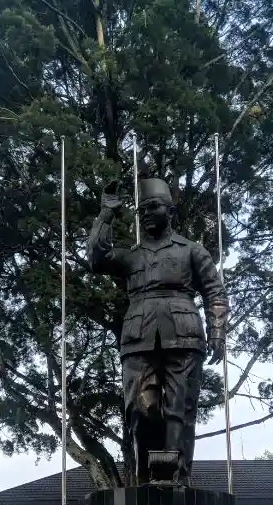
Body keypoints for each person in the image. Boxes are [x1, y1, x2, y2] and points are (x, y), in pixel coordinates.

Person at [87, 176, 228, 484]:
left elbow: (215, 293)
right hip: (138, 337)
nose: (147, 213)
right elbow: (96, 259)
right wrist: (106, 214)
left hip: (185, 334)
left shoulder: (192, 251)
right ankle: (143, 478)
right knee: (139, 411)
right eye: (142, 210)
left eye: (153, 207)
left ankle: (177, 481)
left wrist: (217, 330)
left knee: (180, 410)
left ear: (170, 211)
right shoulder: (131, 255)